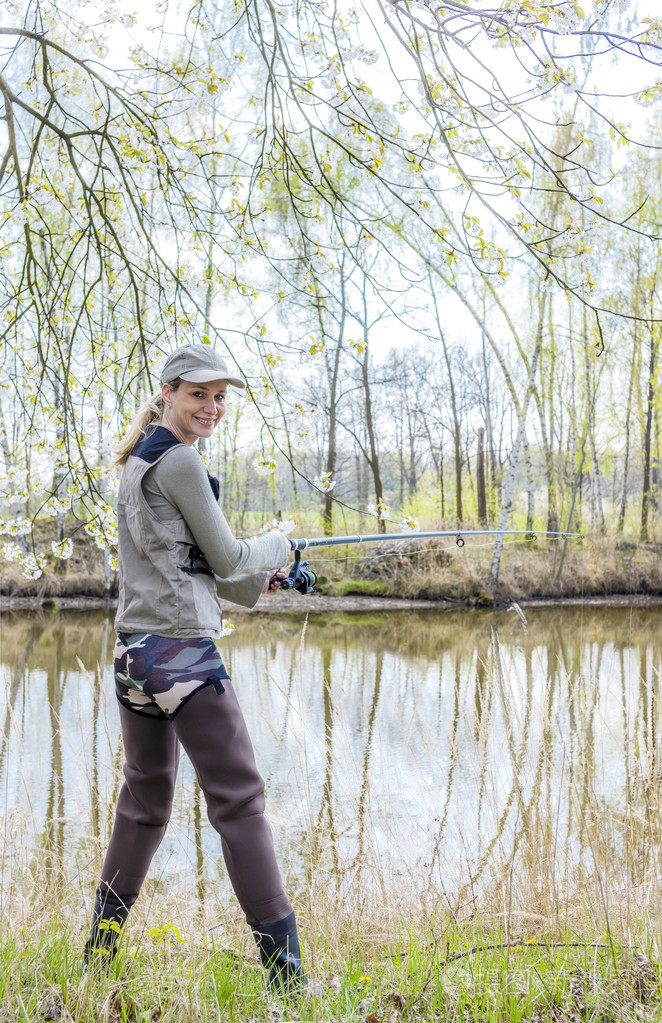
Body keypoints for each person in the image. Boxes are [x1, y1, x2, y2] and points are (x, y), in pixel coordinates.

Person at [84, 343, 311, 994]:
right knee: (240, 802)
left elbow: (198, 568)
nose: (211, 407)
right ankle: (288, 982)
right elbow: (230, 550)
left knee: (145, 805)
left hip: (134, 655)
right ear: (169, 391)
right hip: (183, 653)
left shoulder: (140, 460)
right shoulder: (181, 459)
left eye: (220, 398)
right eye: (198, 395)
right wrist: (282, 543)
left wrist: (263, 579)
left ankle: (96, 958)